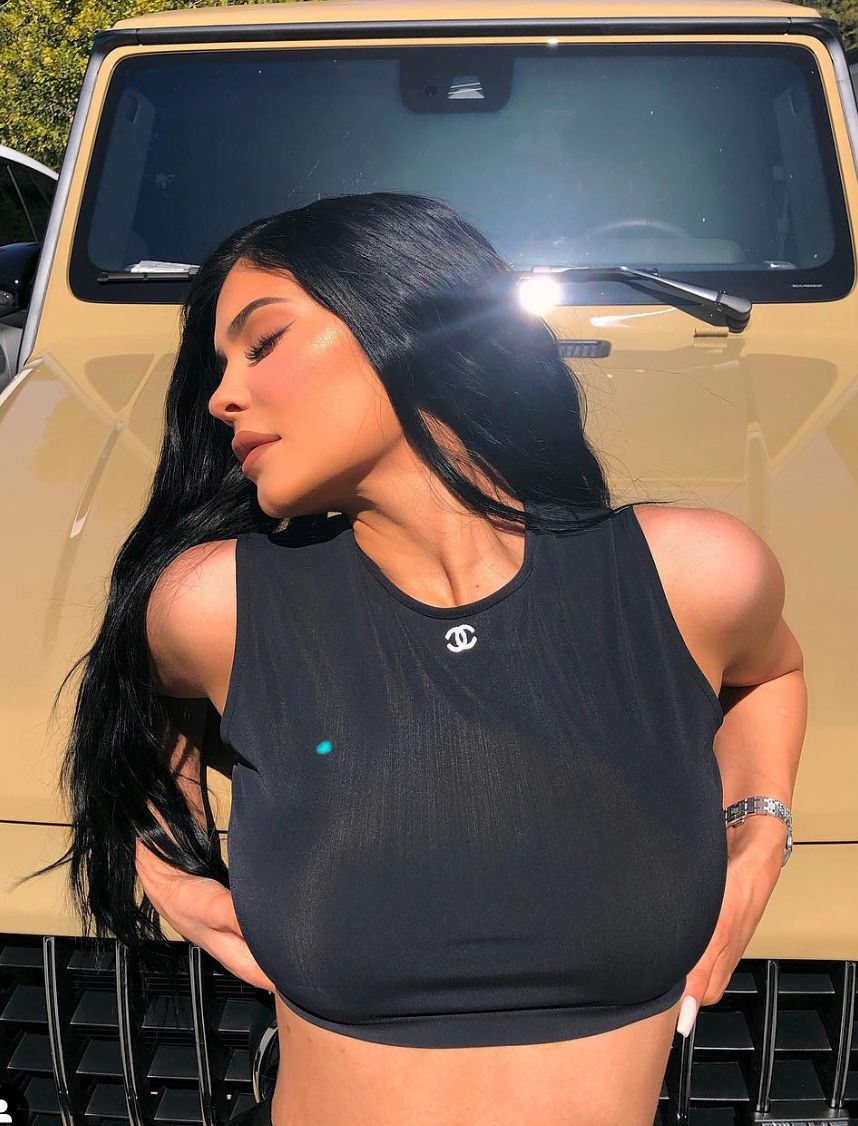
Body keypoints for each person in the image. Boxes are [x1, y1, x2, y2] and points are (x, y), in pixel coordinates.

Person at [37, 191, 805, 1126]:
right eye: (220, 365)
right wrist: (169, 870)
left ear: (409, 314)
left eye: (262, 343)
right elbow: (128, 722)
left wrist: (759, 833)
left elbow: (771, 674)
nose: (220, 397)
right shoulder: (222, 608)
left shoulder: (686, 576)